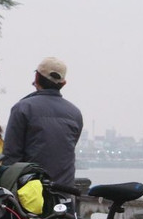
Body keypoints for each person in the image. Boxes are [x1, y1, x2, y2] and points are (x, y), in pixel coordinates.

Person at [5, 56, 84, 188]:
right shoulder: (75, 113)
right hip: (64, 190)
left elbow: (11, 155)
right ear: (63, 84)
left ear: (36, 77)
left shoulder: (23, 108)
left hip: (30, 191)